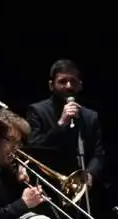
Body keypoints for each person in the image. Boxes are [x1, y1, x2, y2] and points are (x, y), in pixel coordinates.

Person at [26, 59, 104, 192]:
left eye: (73, 81)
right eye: (62, 81)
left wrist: (90, 174)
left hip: (82, 185)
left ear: (80, 85)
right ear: (51, 85)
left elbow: (98, 153)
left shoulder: (91, 116)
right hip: (49, 185)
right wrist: (61, 123)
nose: (69, 86)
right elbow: (34, 148)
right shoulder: (37, 111)